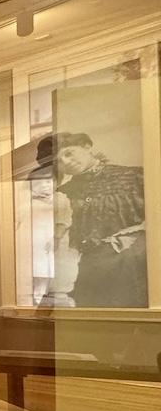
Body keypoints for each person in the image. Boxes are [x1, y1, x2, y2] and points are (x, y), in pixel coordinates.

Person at [52, 131, 147, 307]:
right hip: (87, 270)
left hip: (130, 263)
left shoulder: (132, 177)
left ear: (86, 146)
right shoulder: (65, 193)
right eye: (58, 161)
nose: (65, 162)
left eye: (68, 153)